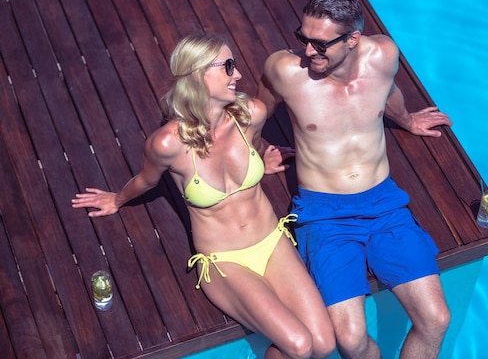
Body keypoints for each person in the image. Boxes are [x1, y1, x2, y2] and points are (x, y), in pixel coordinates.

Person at [72, 34, 335, 359]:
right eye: (227, 67)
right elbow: (146, 180)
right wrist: (116, 199)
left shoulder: (250, 113)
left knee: (324, 345)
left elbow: (251, 145)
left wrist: (261, 159)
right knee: (299, 345)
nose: (237, 75)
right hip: (225, 262)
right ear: (197, 75)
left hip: (271, 241)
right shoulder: (168, 145)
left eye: (234, 65)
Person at [257, 0, 452, 359]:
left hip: (384, 204)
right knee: (349, 340)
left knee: (436, 318)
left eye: (319, 44)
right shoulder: (285, 71)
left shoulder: (384, 55)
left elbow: (390, 92)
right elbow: (257, 112)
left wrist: (407, 120)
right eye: (303, 38)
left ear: (353, 40)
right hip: (325, 215)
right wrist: (256, 156)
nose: (308, 52)